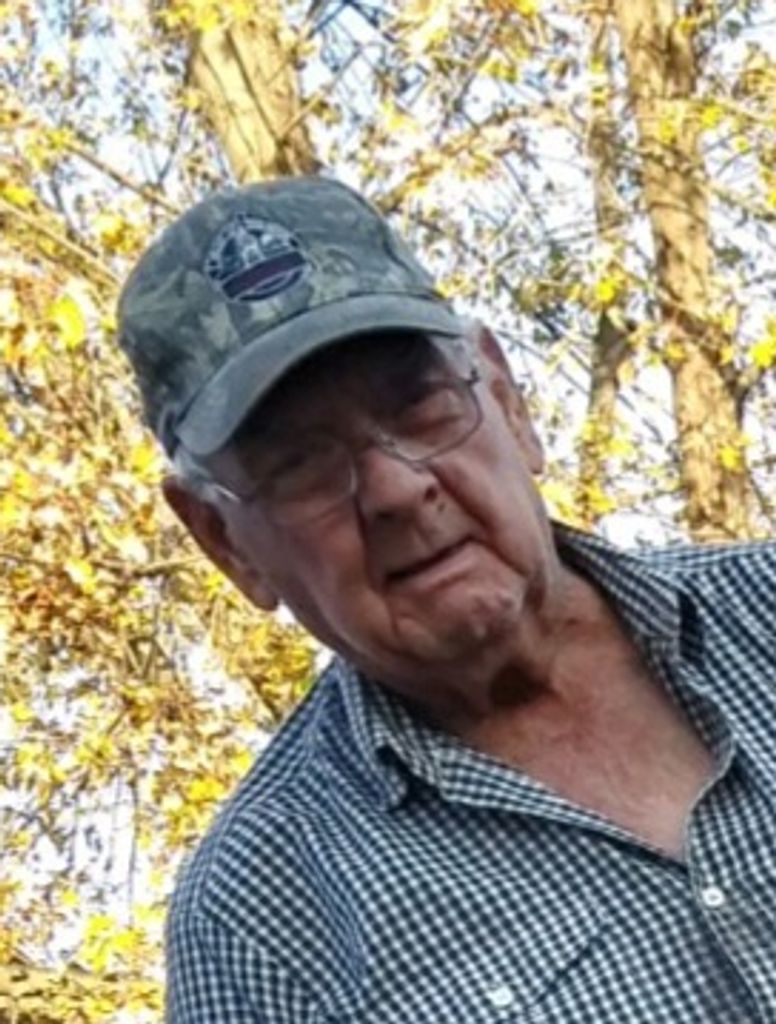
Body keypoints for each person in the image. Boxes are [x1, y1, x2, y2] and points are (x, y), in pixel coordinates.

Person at [117, 176, 776, 1024]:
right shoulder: (262, 922)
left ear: (506, 398)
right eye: (301, 464)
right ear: (223, 541)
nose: (395, 490)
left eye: (420, 409)